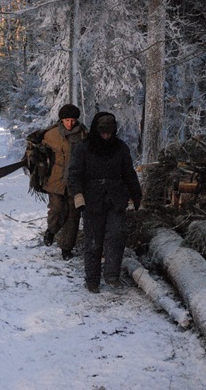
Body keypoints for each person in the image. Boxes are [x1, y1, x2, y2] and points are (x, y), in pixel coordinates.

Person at [68, 112, 142, 293]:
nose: (106, 135)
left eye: (110, 132)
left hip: (116, 198)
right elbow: (74, 174)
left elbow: (129, 173)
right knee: (93, 241)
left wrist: (136, 194)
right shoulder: (83, 148)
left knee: (117, 236)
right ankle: (92, 279)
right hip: (91, 199)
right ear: (96, 130)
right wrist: (77, 194)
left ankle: (112, 276)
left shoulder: (120, 148)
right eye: (103, 132)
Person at [41, 104, 87, 260]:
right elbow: (40, 153)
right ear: (61, 120)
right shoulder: (51, 134)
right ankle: (51, 231)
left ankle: (66, 248)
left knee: (73, 216)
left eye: (73, 120)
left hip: (76, 182)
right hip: (56, 181)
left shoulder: (84, 135)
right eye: (67, 120)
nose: (70, 123)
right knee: (57, 209)